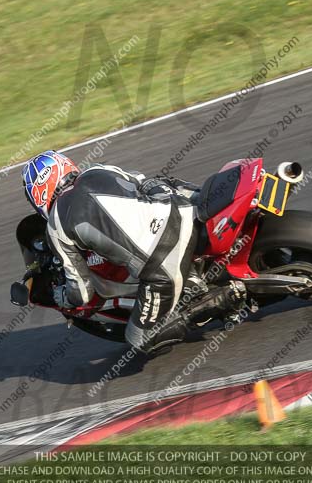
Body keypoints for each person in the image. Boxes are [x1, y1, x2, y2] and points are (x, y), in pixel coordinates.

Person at [21, 150, 197, 354]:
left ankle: (215, 304)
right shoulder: (98, 169)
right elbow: (144, 182)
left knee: (139, 339)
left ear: (37, 195)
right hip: (183, 211)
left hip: (162, 261)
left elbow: (83, 292)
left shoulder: (55, 227)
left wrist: (65, 297)